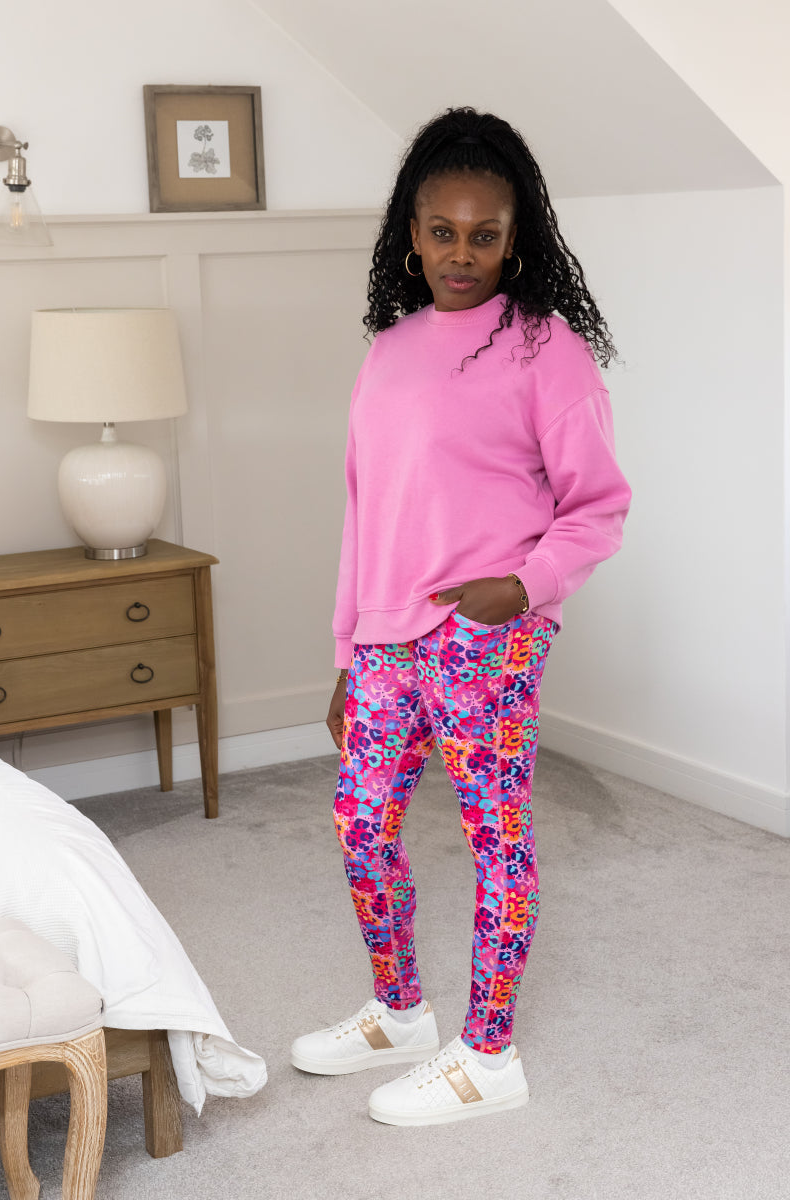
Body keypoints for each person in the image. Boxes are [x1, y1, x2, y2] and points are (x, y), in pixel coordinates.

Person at [290, 107, 631, 1126]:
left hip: (488, 636)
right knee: (361, 827)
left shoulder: (545, 349)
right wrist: (347, 651)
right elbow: (364, 513)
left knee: (496, 839)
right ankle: (400, 1012)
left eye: (485, 235)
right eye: (442, 231)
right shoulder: (389, 351)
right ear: (412, 233)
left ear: (515, 240)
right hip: (385, 639)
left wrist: (518, 589)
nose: (461, 254)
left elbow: (597, 506)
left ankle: (488, 1057)